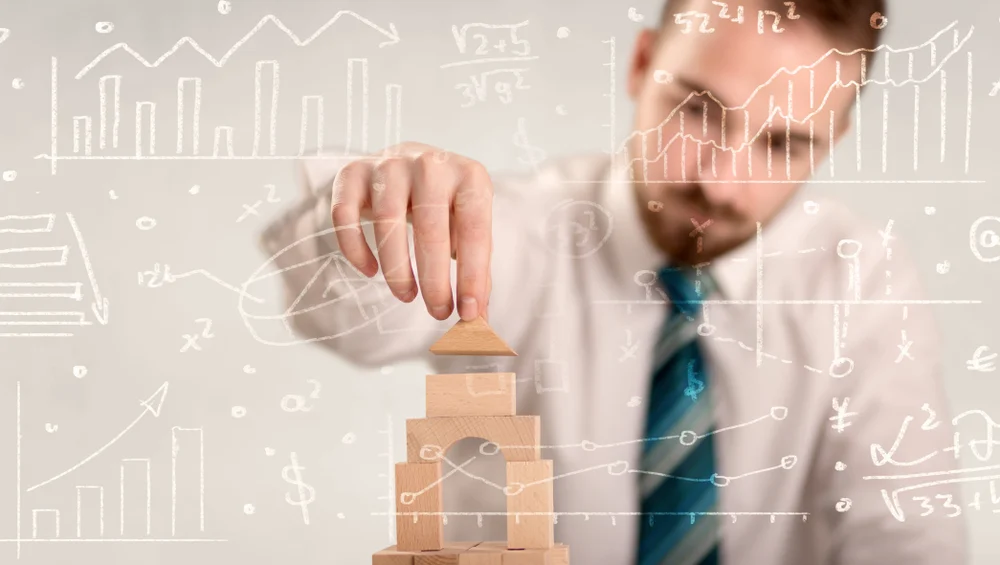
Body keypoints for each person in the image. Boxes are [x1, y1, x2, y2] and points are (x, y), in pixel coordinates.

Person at [258, 0, 966, 563]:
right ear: (642, 64)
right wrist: (383, 209)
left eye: (783, 143)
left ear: (836, 136)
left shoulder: (861, 284)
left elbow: (904, 532)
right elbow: (349, 314)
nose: (719, 183)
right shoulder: (517, 233)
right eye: (697, 109)